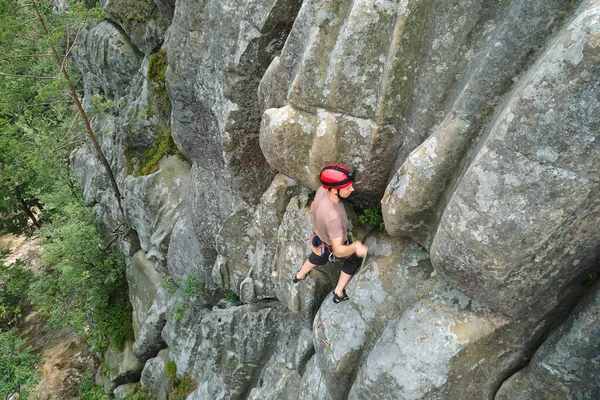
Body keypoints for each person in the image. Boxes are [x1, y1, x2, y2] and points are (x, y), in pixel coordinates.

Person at [293, 164, 368, 303]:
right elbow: (338, 251)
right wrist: (356, 247)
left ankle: (299, 275)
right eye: (347, 188)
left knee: (316, 257)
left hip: (319, 238)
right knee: (354, 258)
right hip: (330, 245)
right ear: (334, 190)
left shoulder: (322, 190)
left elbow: (313, 206)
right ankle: (339, 292)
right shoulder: (334, 218)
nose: (352, 189)